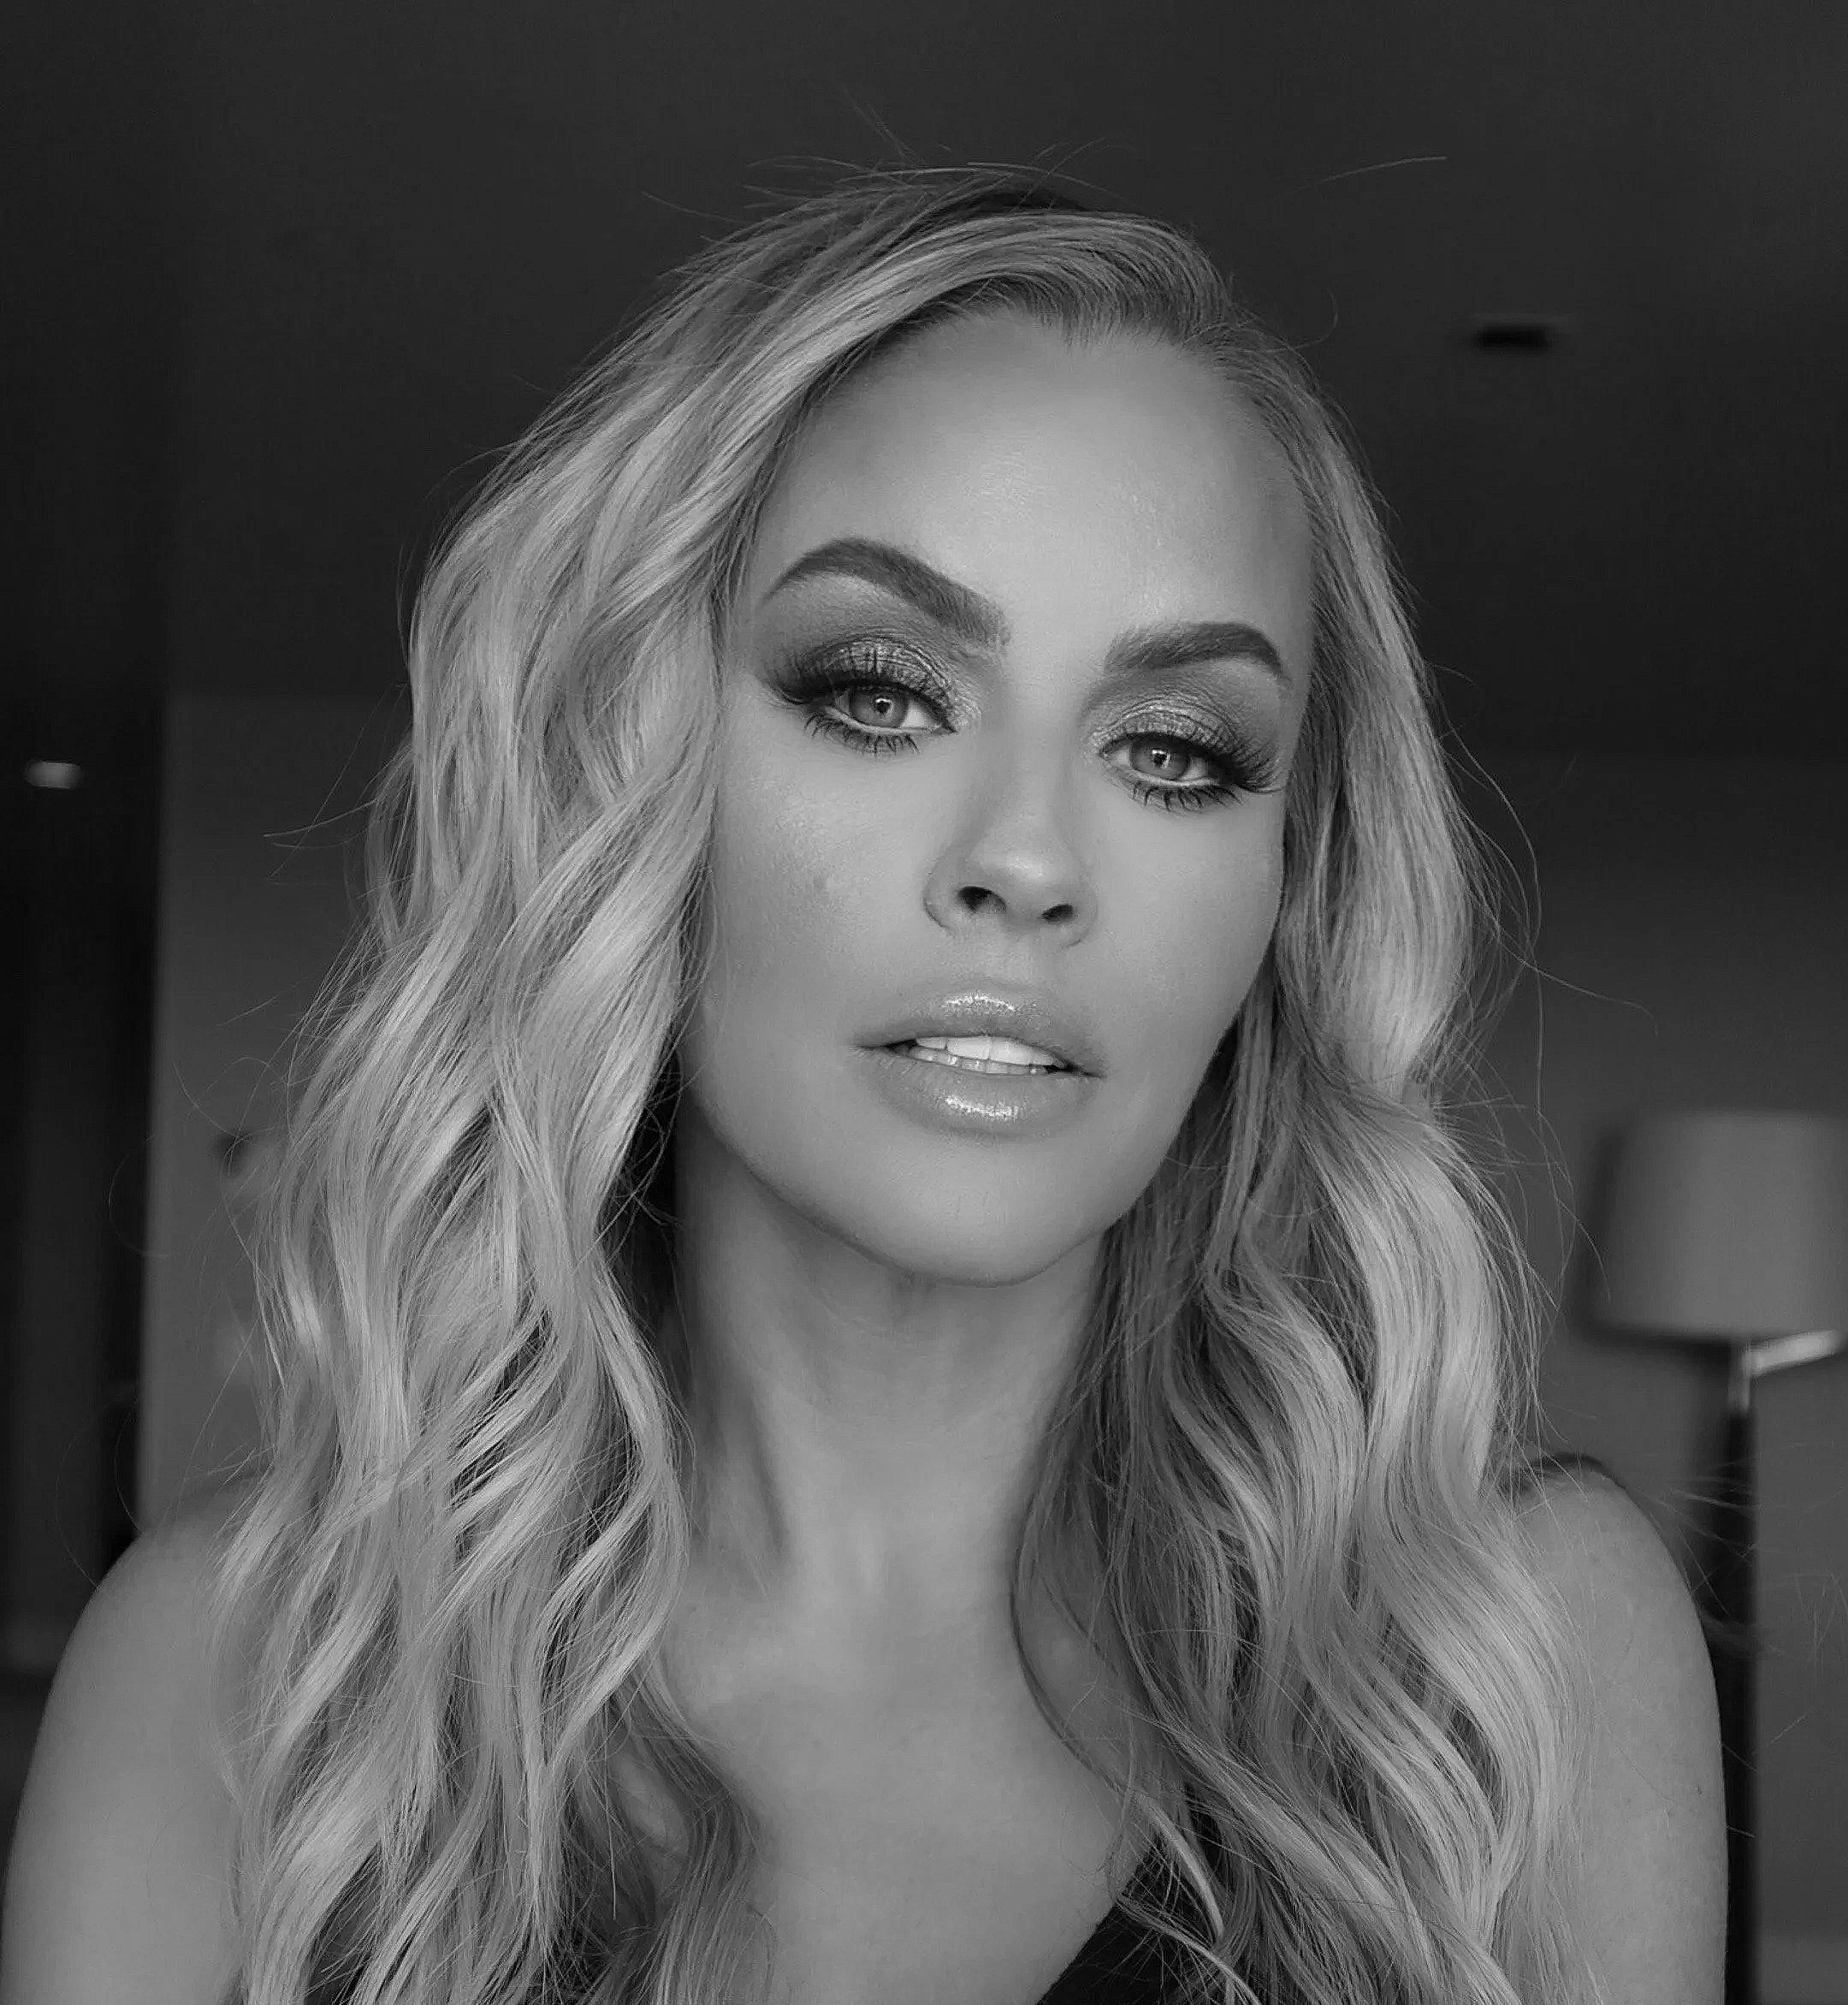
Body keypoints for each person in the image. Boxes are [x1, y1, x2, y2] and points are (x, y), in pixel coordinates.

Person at [3, 163, 1724, 2005]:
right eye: (877, 692)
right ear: (625, 770)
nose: (1026, 861)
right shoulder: (243, 1682)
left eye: (1174, 750)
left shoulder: (1504, 1654)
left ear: (1288, 886)